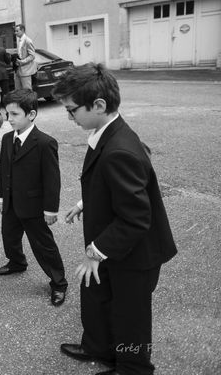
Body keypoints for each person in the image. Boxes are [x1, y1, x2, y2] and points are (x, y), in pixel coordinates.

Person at [52, 63, 177, 375]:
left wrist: (95, 251)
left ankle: (133, 368)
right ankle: (100, 348)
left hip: (135, 254)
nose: (70, 117)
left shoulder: (119, 149)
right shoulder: (108, 132)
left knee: (129, 316)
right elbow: (110, 186)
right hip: (114, 244)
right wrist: (85, 202)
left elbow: (136, 218)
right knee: (98, 297)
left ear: (98, 105)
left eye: (72, 110)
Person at [0, 89, 68, 306]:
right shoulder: (8, 139)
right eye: (8, 114)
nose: (9, 119)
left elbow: (52, 179)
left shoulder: (45, 143)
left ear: (31, 114)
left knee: (43, 245)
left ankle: (58, 282)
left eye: (15, 114)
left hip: (34, 206)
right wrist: (0, 196)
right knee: (9, 235)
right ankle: (17, 261)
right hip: (10, 202)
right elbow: (3, 169)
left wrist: (51, 209)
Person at [14, 24, 37, 90]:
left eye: (17, 31)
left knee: (27, 91)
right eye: (15, 31)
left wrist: (22, 62)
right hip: (18, 70)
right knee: (18, 91)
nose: (15, 33)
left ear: (22, 30)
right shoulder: (19, 40)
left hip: (26, 71)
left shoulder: (28, 41)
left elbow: (32, 56)